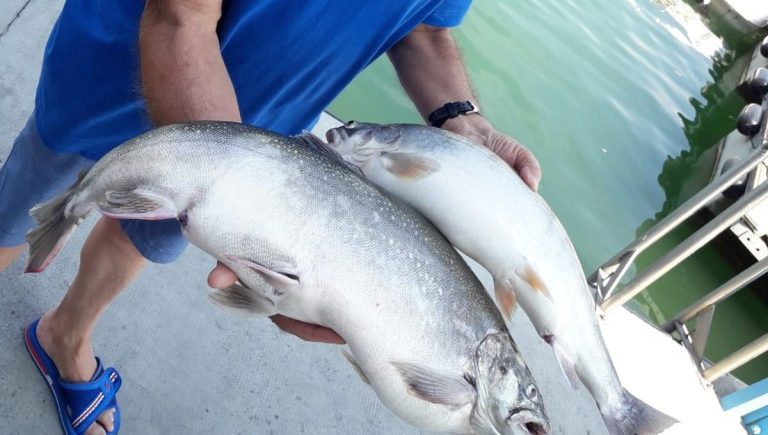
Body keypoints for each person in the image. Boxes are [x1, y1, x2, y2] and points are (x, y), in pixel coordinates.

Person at [0, 1, 542, 434]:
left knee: (144, 236)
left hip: (263, 131)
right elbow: (179, 16)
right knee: (25, 196)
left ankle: (65, 336)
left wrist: (459, 118)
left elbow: (423, 26)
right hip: (118, 65)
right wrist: (252, 205)